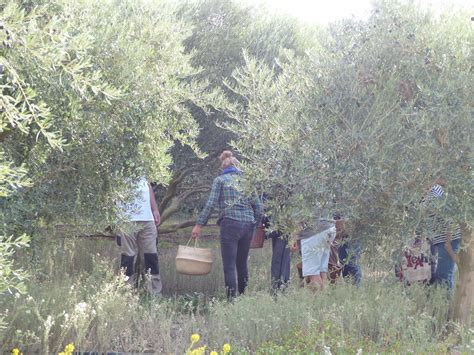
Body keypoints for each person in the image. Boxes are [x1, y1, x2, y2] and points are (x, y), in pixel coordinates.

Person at [192, 151, 263, 299]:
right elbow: (258, 207)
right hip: (247, 225)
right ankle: (243, 298)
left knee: (229, 265)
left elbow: (211, 203)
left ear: (224, 167)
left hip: (230, 224)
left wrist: (199, 224)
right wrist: (254, 224)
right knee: (242, 264)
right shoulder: (247, 182)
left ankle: (231, 300)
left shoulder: (220, 180)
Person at [118, 177, 162, 296]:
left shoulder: (145, 162)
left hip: (147, 219)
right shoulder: (117, 163)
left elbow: (148, 187)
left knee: (151, 256)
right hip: (127, 219)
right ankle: (126, 293)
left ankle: (154, 293)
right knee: (128, 257)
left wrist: (155, 209)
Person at [421, 180, 461, 290]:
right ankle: (443, 304)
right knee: (441, 275)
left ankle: (447, 305)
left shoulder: (435, 191)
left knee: (444, 276)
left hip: (449, 238)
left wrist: (448, 243)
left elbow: (448, 214)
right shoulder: (425, 193)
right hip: (440, 239)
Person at [297, 219, 336, 291]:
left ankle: (317, 300)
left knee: (313, 274)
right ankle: (325, 298)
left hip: (313, 233)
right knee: (322, 271)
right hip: (329, 228)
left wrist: (294, 237)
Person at [262, 214, 291, 292]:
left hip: (283, 227)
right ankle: (279, 287)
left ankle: (278, 288)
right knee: (281, 260)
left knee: (279, 260)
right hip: (281, 226)